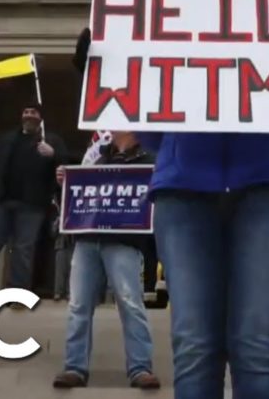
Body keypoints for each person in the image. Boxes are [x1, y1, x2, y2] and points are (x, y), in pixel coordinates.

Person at [73, 0, 269, 398]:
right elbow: (153, 137)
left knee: (257, 341)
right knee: (193, 343)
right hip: (184, 196)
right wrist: (108, 72)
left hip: (267, 193)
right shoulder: (165, 33)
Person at [52, 131, 161, 390]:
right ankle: (75, 367)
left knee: (130, 303)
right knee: (78, 305)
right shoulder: (98, 161)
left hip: (124, 240)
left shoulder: (151, 161)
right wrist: (66, 183)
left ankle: (140, 368)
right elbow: (82, 195)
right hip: (88, 239)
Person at [0, 104, 68, 303]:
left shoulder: (52, 141)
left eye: (33, 113)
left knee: (23, 249)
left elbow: (65, 170)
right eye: (26, 112)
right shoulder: (6, 140)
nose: (29, 115)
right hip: (2, 201)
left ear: (41, 118)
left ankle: (18, 293)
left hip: (33, 204)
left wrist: (54, 155)